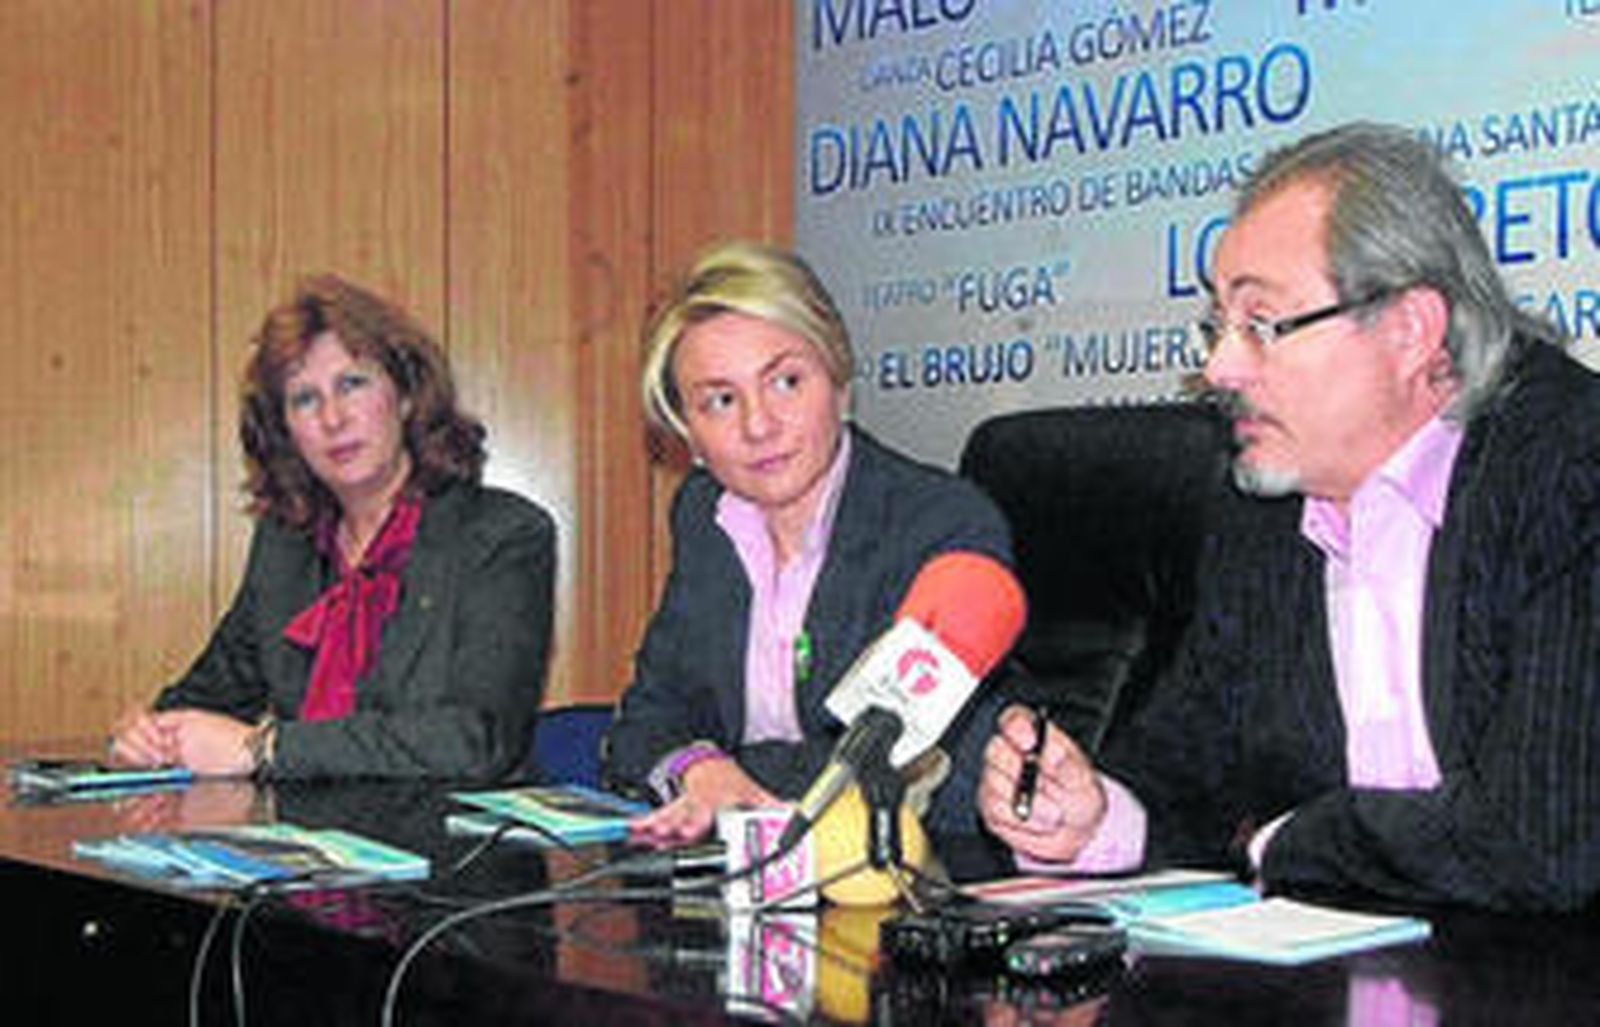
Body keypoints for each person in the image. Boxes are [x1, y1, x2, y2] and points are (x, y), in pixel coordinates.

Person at [980, 122, 1600, 911]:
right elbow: (1187, 770)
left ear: (1410, 330)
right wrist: (1096, 816)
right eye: (1218, 327)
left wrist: (1286, 838)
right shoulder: (1263, 507)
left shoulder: (1571, 468)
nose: (1218, 368)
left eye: (1261, 325)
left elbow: (1540, 838)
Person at [604, 240, 1014, 846]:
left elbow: (905, 760)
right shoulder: (705, 516)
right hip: (747, 881)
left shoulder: (942, 524)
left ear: (839, 380)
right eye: (720, 400)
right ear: (687, 433)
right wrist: (696, 766)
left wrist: (733, 774)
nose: (758, 425)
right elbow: (645, 719)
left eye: (786, 382)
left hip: (903, 881)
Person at [109, 274, 556, 780]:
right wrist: (148, 732)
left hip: (458, 849)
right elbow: (210, 695)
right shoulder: (288, 547)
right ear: (285, 430)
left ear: (406, 396)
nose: (332, 418)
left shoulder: (501, 534)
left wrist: (266, 750)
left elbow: (477, 740)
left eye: (352, 384)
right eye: (304, 399)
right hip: (311, 844)